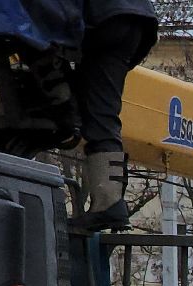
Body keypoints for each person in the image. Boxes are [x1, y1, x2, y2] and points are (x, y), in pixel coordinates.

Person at [68, 0, 159, 230]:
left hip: (101, 19)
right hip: (136, 22)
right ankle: (110, 201)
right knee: (101, 112)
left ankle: (109, 202)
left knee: (79, 103)